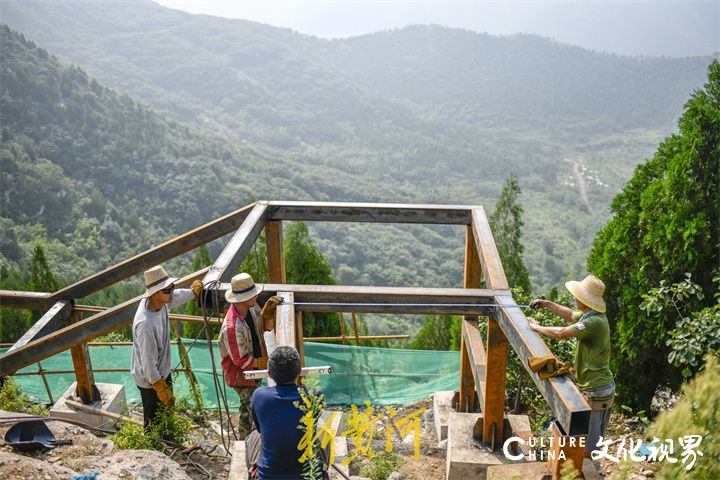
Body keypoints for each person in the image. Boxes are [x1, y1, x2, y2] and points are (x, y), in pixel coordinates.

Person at [527, 274, 615, 457]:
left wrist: (537, 327)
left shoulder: (594, 322)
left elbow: (560, 332)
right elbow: (569, 314)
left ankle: (583, 471)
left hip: (595, 388)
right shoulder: (590, 315)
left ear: (585, 300)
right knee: (590, 440)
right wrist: (547, 304)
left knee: (588, 447)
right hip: (601, 386)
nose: (575, 298)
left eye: (578, 296)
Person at [131, 265, 203, 427]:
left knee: (167, 414)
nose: (171, 292)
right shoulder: (146, 324)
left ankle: (168, 442)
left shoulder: (159, 302)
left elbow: (175, 296)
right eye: (167, 290)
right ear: (154, 293)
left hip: (161, 372)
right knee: (154, 421)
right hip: (151, 380)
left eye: (172, 287)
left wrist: (192, 293)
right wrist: (160, 387)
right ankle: (153, 449)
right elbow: (148, 362)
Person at [246, 346, 326, 480]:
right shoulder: (315, 395)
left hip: (268, 477)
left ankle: (253, 469)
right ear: (299, 371)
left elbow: (260, 429)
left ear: (269, 374)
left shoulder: (259, 396)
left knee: (253, 436)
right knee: (320, 436)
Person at [218, 272, 283, 438]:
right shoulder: (232, 327)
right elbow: (240, 361)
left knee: (249, 409)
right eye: (251, 294)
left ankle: (246, 441)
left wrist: (267, 315)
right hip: (240, 374)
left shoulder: (252, 308)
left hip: (253, 368)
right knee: (252, 407)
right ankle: (249, 442)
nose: (256, 296)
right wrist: (263, 363)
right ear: (240, 299)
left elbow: (264, 328)